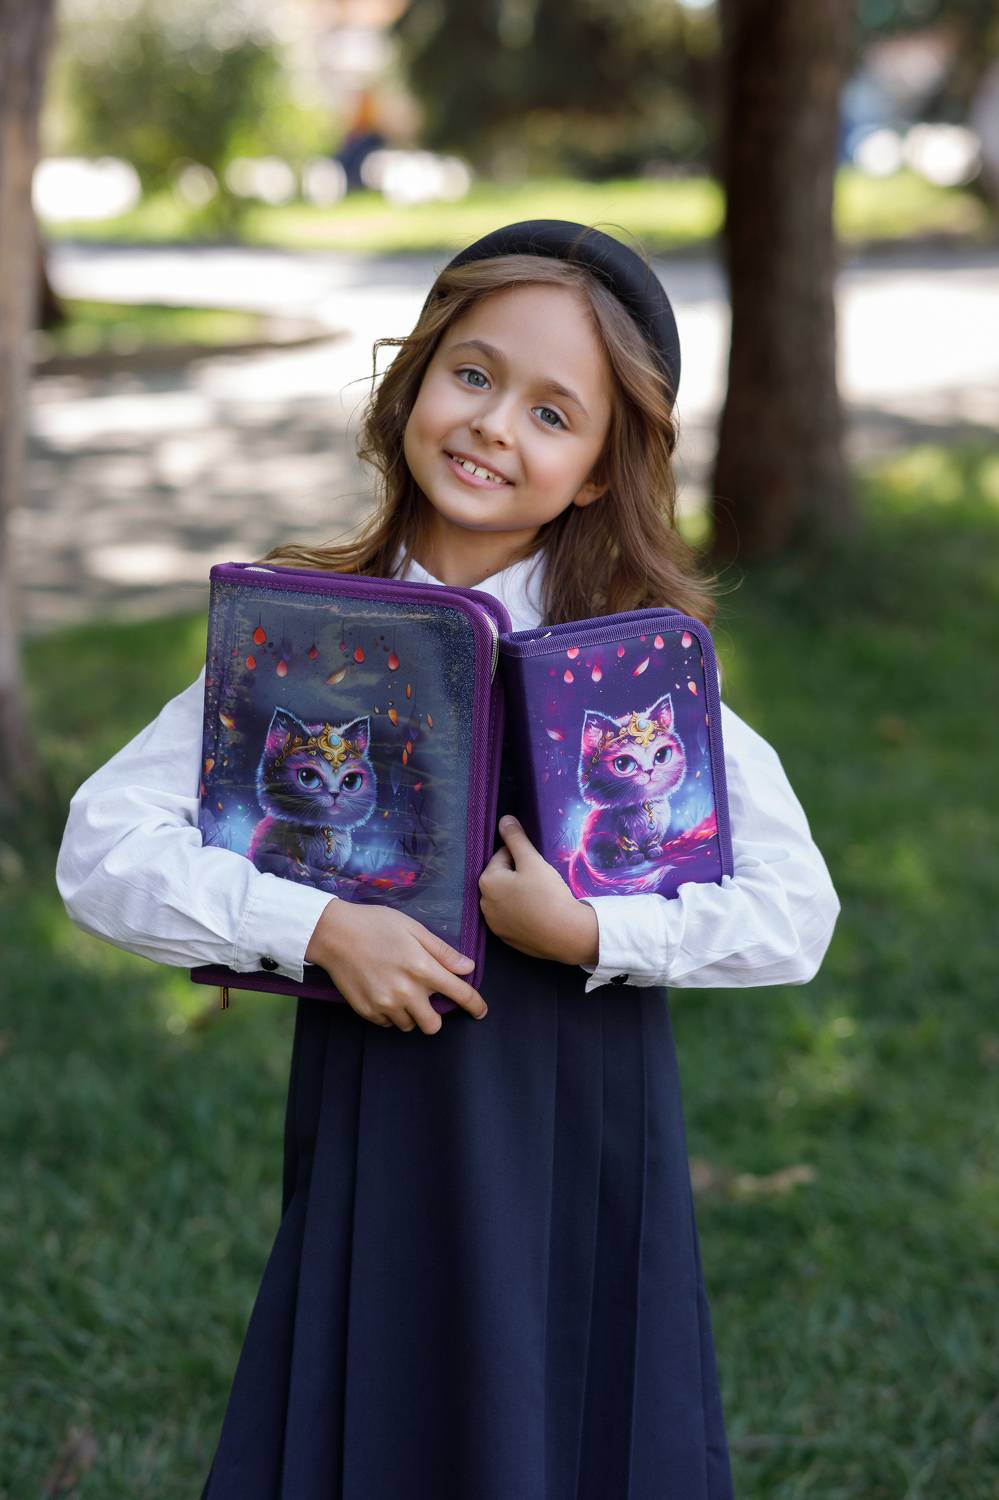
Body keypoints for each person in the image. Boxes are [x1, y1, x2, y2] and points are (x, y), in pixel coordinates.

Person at [55, 220, 841, 1499]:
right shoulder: (303, 643)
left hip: (577, 1131)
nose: (492, 425)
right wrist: (318, 930)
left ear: (597, 474)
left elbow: (795, 910)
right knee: (381, 1402)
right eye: (472, 375)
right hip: (386, 1122)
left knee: (565, 1412)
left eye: (551, 412)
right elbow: (101, 847)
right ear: (415, 381)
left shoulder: (623, 671)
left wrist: (592, 933)